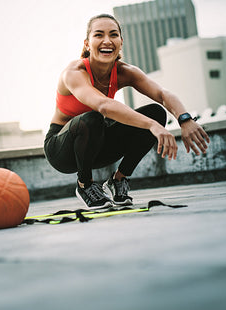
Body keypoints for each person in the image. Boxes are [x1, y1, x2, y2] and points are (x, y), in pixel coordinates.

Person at [44, 14, 210, 209]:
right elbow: (103, 105)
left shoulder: (125, 72)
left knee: (156, 113)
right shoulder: (74, 73)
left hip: (98, 145)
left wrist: (185, 120)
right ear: (87, 44)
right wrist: (151, 126)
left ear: (120, 42)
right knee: (93, 118)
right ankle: (85, 185)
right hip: (62, 150)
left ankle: (118, 179)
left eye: (113, 35)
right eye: (99, 35)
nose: (107, 40)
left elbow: (163, 94)